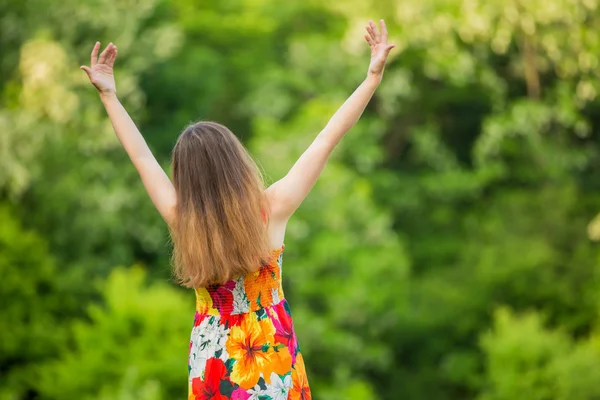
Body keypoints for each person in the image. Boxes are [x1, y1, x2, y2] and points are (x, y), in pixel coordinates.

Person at [81, 18, 395, 400]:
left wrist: (109, 96)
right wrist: (371, 80)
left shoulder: (184, 220)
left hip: (211, 361)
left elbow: (142, 157)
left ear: (186, 178)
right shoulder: (271, 209)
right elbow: (327, 137)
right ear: (236, 163)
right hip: (267, 356)